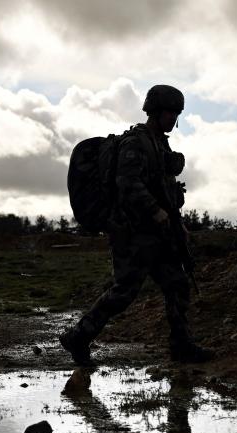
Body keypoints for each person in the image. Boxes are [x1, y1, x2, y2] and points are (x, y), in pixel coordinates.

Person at [60, 84, 212, 366]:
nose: (173, 118)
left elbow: (163, 187)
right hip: (133, 234)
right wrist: (155, 211)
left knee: (177, 284)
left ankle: (181, 346)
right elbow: (128, 184)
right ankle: (78, 337)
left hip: (157, 234)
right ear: (155, 111)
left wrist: (176, 221)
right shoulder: (135, 143)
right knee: (124, 292)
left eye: (176, 113)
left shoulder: (159, 144)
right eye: (169, 112)